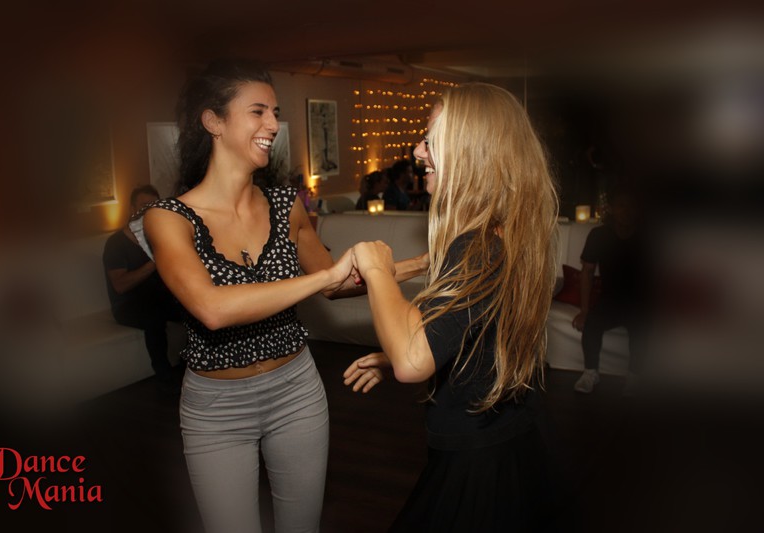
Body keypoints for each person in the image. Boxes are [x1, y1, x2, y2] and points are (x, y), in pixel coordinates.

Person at [132, 59, 428, 533]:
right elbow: (212, 309)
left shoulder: (287, 205)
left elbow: (336, 285)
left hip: (296, 390)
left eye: (275, 112)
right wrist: (327, 274)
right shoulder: (167, 218)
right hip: (217, 408)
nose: (273, 124)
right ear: (213, 121)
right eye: (258, 112)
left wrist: (426, 263)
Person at [343, 83, 558, 531]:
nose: (418, 152)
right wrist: (396, 349)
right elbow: (478, 333)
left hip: (477, 461)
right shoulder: (503, 230)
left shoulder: (477, 248)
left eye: (431, 140)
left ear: (471, 152)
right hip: (506, 438)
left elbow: (412, 362)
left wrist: (376, 267)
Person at [103, 184, 182, 394]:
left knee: (192, 308)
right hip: (127, 305)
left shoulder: (155, 236)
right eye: (144, 205)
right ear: (132, 209)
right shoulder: (116, 244)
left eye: (154, 206)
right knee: (154, 318)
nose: (149, 210)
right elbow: (120, 285)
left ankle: (194, 366)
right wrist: (154, 262)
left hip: (157, 298)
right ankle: (164, 377)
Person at [571, 184, 647, 395]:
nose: (626, 211)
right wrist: (584, 310)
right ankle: (590, 373)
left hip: (640, 301)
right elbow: (587, 272)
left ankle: (634, 376)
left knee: (643, 327)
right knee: (592, 323)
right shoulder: (599, 235)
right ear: (612, 209)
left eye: (631, 206)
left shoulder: (646, 235)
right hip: (610, 299)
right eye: (621, 205)